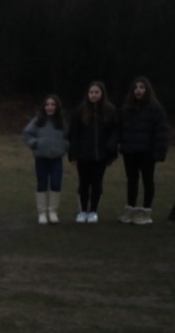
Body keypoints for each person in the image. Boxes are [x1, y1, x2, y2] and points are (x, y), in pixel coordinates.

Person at [115, 76, 168, 225]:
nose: (138, 90)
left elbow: (161, 132)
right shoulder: (126, 108)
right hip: (130, 151)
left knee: (147, 180)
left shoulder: (155, 109)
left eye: (142, 87)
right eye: (136, 87)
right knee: (132, 181)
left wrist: (159, 152)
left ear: (147, 89)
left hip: (147, 152)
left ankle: (146, 212)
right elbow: (120, 128)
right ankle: (130, 210)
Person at [67, 81, 118, 223]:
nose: (94, 95)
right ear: (87, 94)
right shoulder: (79, 111)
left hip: (101, 156)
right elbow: (73, 134)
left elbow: (115, 131)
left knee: (97, 183)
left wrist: (110, 150)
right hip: (83, 156)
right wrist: (73, 154)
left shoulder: (110, 110)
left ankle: (94, 211)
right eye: (91, 92)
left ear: (102, 94)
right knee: (83, 183)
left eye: (97, 92)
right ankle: (82, 211)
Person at [22, 94, 69, 225]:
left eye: (53, 104)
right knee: (42, 183)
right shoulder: (38, 120)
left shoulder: (61, 122)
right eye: (47, 104)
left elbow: (67, 137)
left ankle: (52, 211)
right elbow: (27, 133)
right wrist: (35, 143)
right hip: (41, 157)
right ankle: (42, 212)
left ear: (57, 107)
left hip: (56, 158)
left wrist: (64, 146)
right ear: (44, 107)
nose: (50, 107)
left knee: (56, 182)